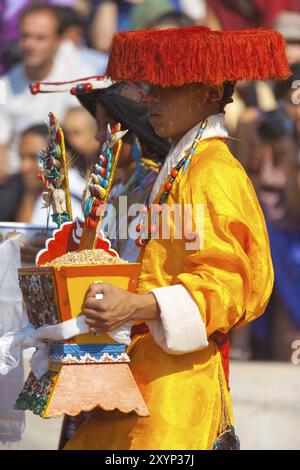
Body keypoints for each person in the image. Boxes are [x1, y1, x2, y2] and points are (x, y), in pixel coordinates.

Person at [63, 26, 290, 450]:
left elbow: (232, 285)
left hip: (178, 387)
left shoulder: (214, 171)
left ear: (207, 95)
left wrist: (136, 305)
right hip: (147, 374)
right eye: (151, 88)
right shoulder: (183, 163)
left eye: (167, 90)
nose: (151, 99)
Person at [0, 3, 94, 188]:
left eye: (40, 38)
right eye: (25, 36)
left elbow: (84, 136)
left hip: (67, 173)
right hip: (19, 179)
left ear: (58, 41)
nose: (30, 44)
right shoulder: (4, 86)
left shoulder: (78, 75)